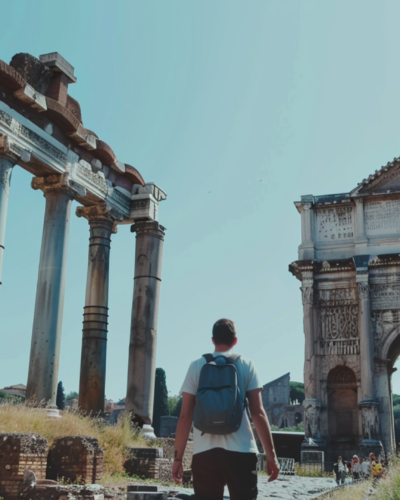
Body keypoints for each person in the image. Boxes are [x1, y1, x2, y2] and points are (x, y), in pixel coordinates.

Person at [172, 318, 279, 500]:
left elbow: (185, 416)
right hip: (242, 451)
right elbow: (258, 413)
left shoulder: (196, 366)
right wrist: (272, 456)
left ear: (213, 340)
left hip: (204, 453)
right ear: (235, 340)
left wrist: (178, 459)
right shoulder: (247, 365)